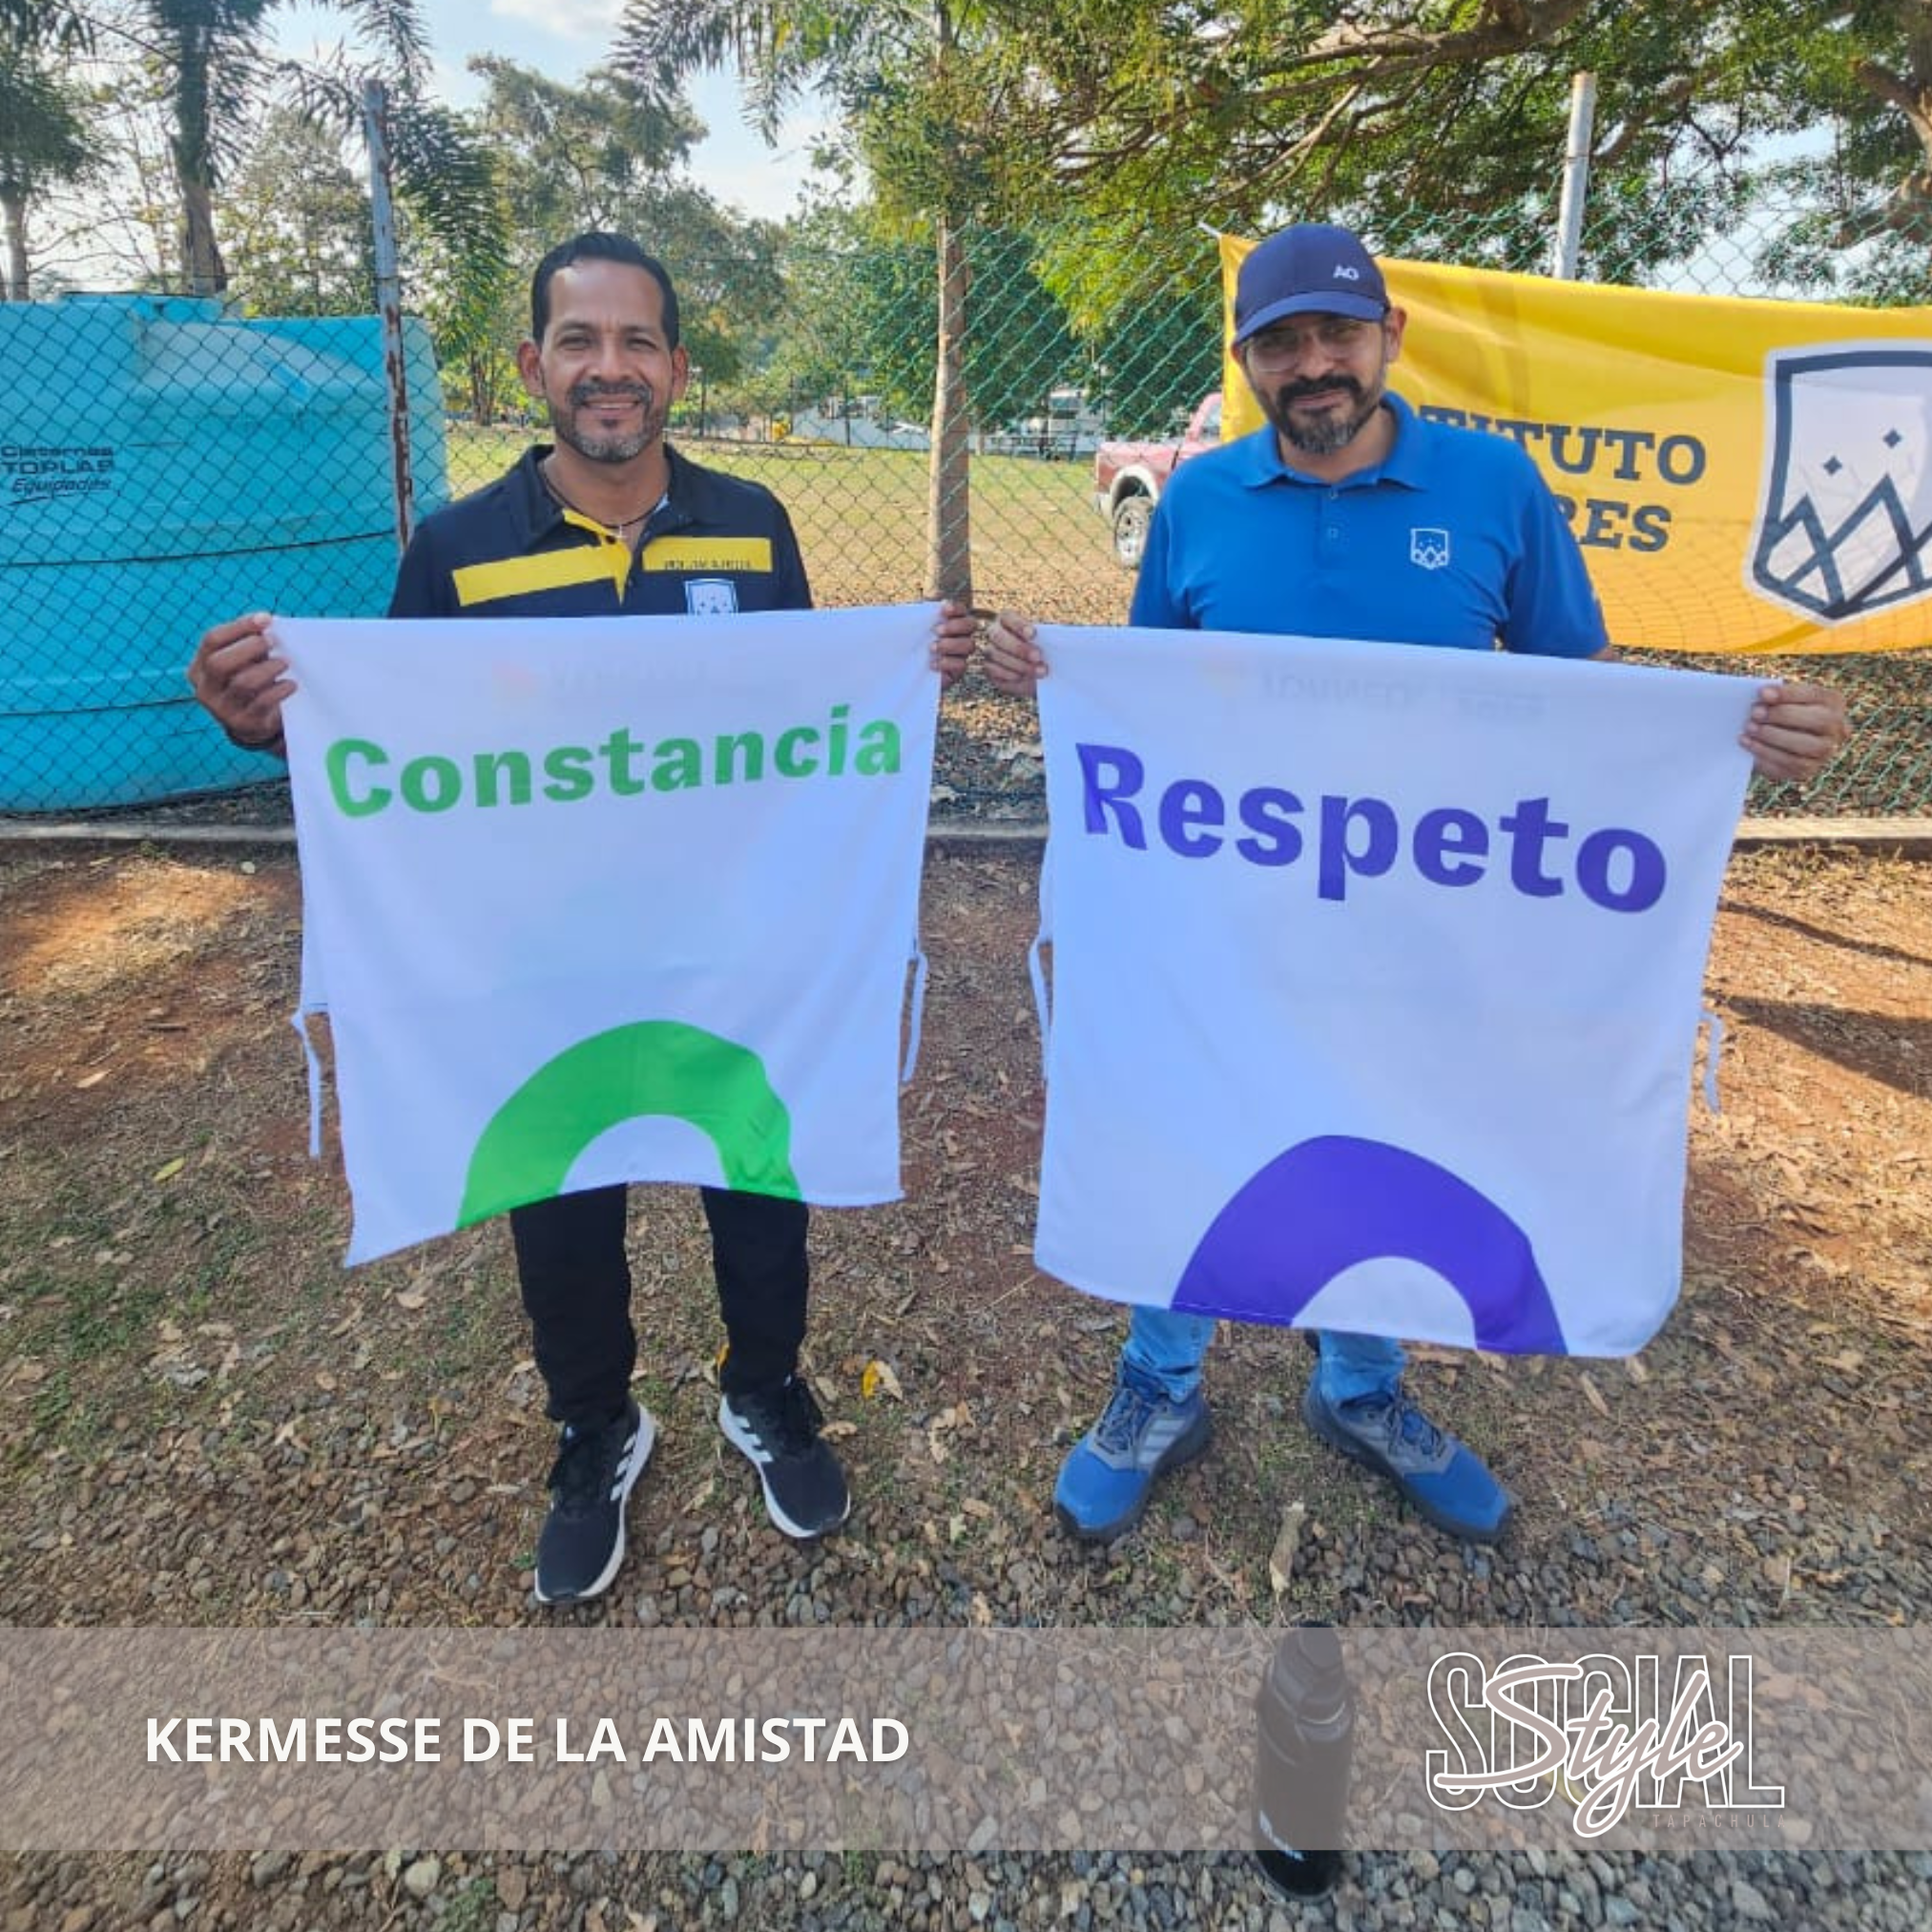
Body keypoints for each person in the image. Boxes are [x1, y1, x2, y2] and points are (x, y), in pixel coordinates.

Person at [986, 221, 1850, 1548]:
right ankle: (1160, 1384)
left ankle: (1361, 1385)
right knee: (1194, 1119)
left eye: (1338, 333)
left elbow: (1582, 706)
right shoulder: (1201, 503)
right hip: (1231, 910)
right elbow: (1153, 697)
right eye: (1282, 343)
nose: (1313, 364)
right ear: (1247, 361)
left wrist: (1737, 735)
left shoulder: (1494, 487)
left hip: (1425, 921)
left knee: (1388, 1122)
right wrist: (1055, 681)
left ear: (1389, 336)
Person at [190, 231, 978, 1604]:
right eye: (578, 341)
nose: (608, 369)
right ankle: (595, 1427)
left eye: (635, 342)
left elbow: (803, 719)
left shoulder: (754, 525)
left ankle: (765, 1388)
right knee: (556, 1190)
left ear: (676, 366)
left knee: (759, 1168)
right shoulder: (456, 550)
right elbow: (388, 748)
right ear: (532, 366)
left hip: (731, 943)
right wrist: (268, 724)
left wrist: (910, 670)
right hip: (538, 956)